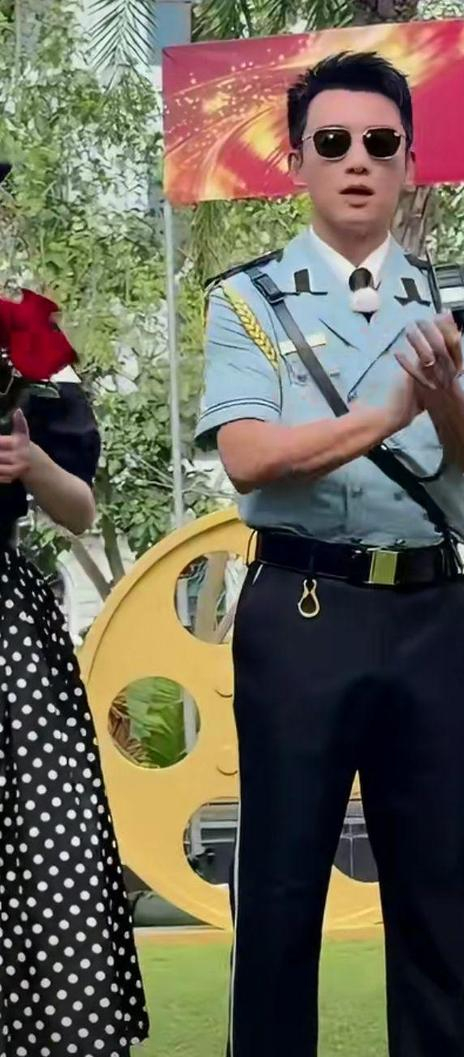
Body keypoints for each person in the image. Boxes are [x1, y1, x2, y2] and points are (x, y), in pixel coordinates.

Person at [196, 52, 464, 1057]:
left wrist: (447, 395)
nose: (357, 161)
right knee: (281, 892)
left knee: (433, 896)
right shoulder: (250, 300)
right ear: (295, 160)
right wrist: (387, 412)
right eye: (332, 141)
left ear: (410, 163)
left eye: (382, 143)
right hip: (303, 607)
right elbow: (248, 456)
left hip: (429, 612)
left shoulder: (456, 298)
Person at [0, 277, 149, 1051]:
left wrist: (29, 461)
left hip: (9, 639)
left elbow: (79, 509)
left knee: (43, 842)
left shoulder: (28, 370)